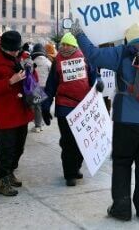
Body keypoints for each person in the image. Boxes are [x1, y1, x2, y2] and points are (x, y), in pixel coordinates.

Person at [71, 17, 139, 222]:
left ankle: (121, 208)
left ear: (127, 37)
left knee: (122, 163)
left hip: (126, 119)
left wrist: (79, 34)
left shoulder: (121, 52)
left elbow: (93, 55)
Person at [42, 33, 100, 187]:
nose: (65, 47)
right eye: (63, 44)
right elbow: (50, 85)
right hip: (64, 107)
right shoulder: (57, 61)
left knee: (82, 142)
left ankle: (76, 167)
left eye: (68, 44)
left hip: (84, 108)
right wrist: (45, 105)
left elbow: (94, 76)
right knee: (68, 143)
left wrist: (98, 83)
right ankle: (69, 174)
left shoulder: (85, 58)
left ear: (75, 46)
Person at [0, 31, 33, 196]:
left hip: (22, 109)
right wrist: (10, 81)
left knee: (19, 147)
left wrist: (30, 71)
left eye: (16, 49)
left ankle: (11, 171)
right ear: (3, 47)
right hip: (6, 112)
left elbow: (32, 82)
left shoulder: (20, 58)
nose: (15, 52)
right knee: (6, 148)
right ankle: (2, 180)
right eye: (11, 50)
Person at [30, 43, 51, 133]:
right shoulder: (48, 61)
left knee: (37, 106)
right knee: (43, 105)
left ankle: (38, 125)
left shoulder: (32, 62)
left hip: (36, 87)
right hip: (46, 87)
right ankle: (41, 123)